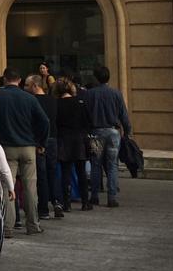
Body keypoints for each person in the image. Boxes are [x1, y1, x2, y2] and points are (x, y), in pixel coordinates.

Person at [0, 68, 49, 236]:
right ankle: (33, 224)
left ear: (5, 79)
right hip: (28, 146)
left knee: (8, 186)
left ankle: (7, 227)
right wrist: (41, 142)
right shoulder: (29, 98)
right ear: (20, 80)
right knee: (30, 187)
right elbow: (44, 121)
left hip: (6, 147)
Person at [80, 66, 131, 207]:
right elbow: (123, 115)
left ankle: (95, 195)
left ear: (96, 78)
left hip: (96, 133)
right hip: (113, 132)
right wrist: (127, 131)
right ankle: (112, 196)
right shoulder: (116, 94)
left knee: (96, 163)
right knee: (112, 164)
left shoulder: (89, 94)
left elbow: (85, 115)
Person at [24, 74, 60, 220]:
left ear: (35, 86)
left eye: (27, 85)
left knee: (41, 175)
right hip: (53, 139)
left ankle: (43, 208)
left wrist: (39, 142)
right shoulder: (53, 100)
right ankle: (57, 202)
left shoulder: (32, 101)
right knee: (53, 172)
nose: (25, 88)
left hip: (39, 141)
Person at [54, 80, 92, 212]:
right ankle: (85, 202)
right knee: (81, 172)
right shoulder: (80, 103)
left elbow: (56, 123)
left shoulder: (57, 104)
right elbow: (88, 121)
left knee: (66, 173)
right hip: (79, 140)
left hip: (64, 139)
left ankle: (66, 203)